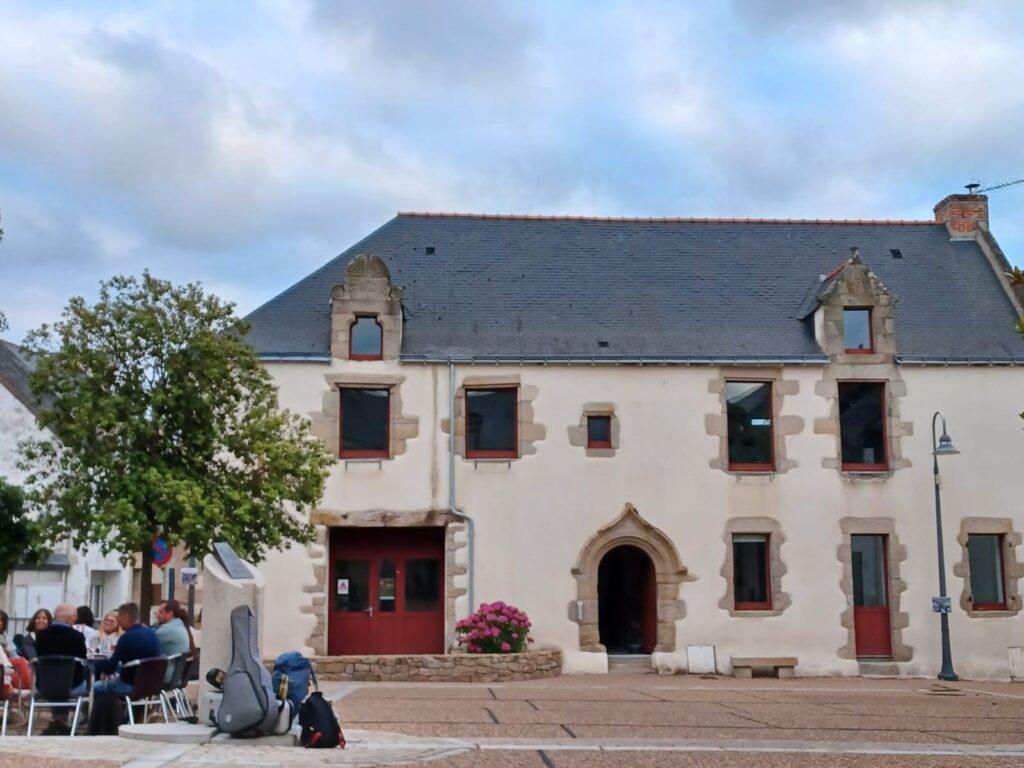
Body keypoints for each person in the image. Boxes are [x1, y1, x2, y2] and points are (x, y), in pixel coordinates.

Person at [34, 603, 88, 735]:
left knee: (56, 681)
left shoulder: (41, 636)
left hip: (45, 686)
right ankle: (76, 718)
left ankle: (59, 719)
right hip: (72, 686)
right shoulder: (77, 637)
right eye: (75, 616)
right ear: (69, 619)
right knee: (87, 682)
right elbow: (83, 659)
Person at [92, 602, 160, 696]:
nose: (118, 621)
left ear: (125, 618)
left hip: (129, 685)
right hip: (151, 685)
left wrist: (100, 668)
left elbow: (110, 668)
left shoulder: (127, 637)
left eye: (119, 617)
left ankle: (90, 711)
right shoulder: (151, 633)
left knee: (94, 688)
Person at [154, 600, 190, 683]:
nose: (157, 615)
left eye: (160, 612)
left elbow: (147, 643)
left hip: (165, 675)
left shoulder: (167, 630)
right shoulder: (180, 626)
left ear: (170, 613)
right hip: (176, 675)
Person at [0, 610, 31, 697]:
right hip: (4, 666)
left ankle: (15, 704)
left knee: (22, 665)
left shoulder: (6, 638)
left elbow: (14, 654)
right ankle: (32, 689)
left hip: (6, 668)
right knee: (21, 661)